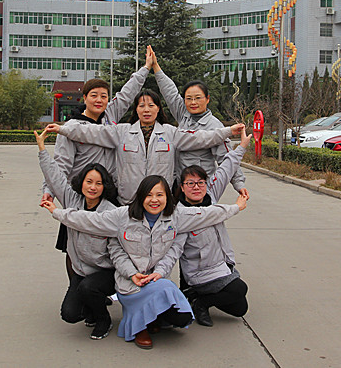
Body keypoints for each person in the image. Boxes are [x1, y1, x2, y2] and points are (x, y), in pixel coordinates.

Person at [40, 175, 249, 349]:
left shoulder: (176, 216)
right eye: (149, 195)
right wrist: (56, 212)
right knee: (146, 305)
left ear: (167, 197)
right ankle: (140, 325)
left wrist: (236, 207)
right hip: (130, 282)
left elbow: (207, 213)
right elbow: (88, 220)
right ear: (140, 197)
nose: (154, 200)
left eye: (160, 195)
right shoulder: (122, 216)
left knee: (182, 319)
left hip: (157, 280)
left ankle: (154, 317)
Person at [41, 47, 153, 279]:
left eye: (103, 96)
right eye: (94, 95)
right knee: (75, 241)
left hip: (109, 193)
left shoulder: (109, 118)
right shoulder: (71, 128)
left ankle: (104, 288)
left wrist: (145, 69)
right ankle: (76, 287)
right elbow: (61, 164)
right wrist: (48, 190)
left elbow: (127, 94)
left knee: (112, 242)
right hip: (82, 194)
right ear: (84, 98)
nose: (99, 100)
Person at [44, 90, 245, 205]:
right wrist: (63, 129)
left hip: (160, 201)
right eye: (141, 105)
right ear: (136, 109)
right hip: (128, 202)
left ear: (158, 109)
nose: (146, 110)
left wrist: (228, 131)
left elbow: (201, 137)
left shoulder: (171, 133)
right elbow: (90, 132)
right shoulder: (121, 131)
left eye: (151, 105)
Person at [34, 130, 119, 340]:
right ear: (81, 182)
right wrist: (42, 149)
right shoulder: (73, 200)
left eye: (98, 183)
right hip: (81, 271)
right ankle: (91, 308)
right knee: (70, 314)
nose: (93, 187)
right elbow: (55, 177)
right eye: (89, 182)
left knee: (89, 288)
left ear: (105, 186)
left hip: (106, 272)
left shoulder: (110, 211)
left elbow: (86, 221)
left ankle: (103, 319)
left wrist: (58, 213)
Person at [173, 125, 251, 327]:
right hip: (200, 273)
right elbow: (175, 250)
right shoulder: (180, 213)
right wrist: (235, 207)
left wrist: (242, 146)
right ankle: (200, 301)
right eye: (190, 184)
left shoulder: (211, 195)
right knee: (239, 289)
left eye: (200, 182)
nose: (196, 187)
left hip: (221, 267)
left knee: (240, 308)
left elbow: (226, 168)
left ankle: (199, 298)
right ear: (182, 187)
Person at [150, 53, 249, 199]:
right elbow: (170, 93)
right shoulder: (183, 114)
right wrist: (156, 67)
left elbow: (226, 158)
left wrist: (239, 183)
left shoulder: (215, 126)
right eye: (189, 98)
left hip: (200, 189)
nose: (193, 102)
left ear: (207, 99)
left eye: (198, 98)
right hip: (179, 185)